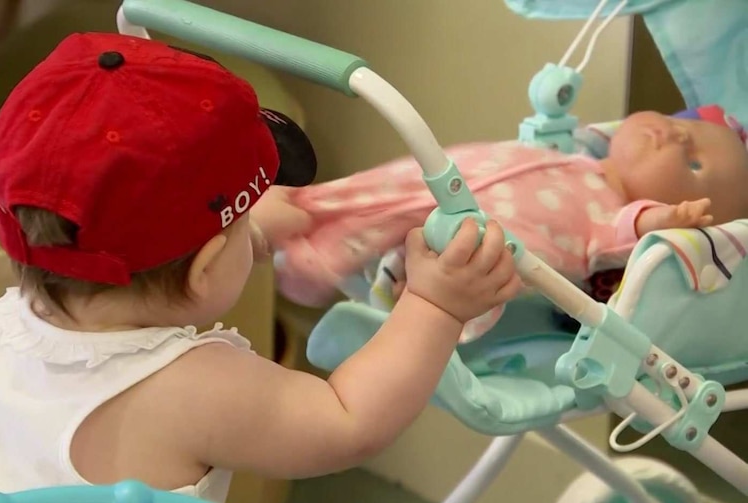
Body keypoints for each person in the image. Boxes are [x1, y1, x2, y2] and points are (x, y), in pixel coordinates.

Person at [0, 32, 522, 503]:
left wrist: (242, 231)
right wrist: (436, 304)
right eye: (238, 228)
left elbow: (145, 255)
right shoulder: (190, 388)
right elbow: (348, 419)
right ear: (208, 265)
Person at [264, 105, 748, 339]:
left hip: (473, 237)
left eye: (694, 165)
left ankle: (316, 262)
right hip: (456, 180)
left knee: (400, 216)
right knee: (393, 183)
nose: (677, 138)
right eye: (687, 128)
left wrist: (667, 220)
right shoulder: (580, 156)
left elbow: (631, 237)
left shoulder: (616, 216)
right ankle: (311, 206)